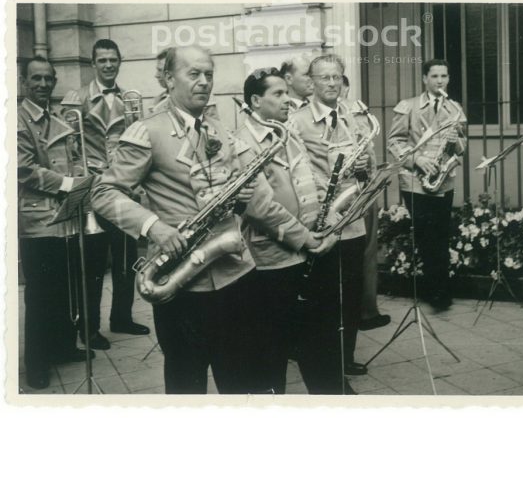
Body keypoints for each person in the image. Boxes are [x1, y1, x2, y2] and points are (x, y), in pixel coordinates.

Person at [91, 46, 323, 394]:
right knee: (187, 387)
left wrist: (303, 236)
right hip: (184, 285)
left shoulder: (219, 131)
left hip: (235, 276)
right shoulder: (147, 132)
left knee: (244, 382)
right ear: (169, 79)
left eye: (209, 75)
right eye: (194, 74)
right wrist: (154, 226)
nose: (204, 82)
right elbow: (103, 193)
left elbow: (259, 201)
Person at [235, 67, 337, 393]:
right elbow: (261, 207)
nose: (287, 100)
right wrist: (306, 239)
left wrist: (330, 223)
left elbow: (315, 185)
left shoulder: (289, 134)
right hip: (272, 261)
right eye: (278, 94)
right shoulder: (241, 143)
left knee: (319, 343)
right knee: (272, 350)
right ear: (255, 100)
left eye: (286, 93)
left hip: (310, 252)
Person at [62, 39, 150, 351]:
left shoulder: (130, 98)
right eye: (103, 60)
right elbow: (70, 148)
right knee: (95, 264)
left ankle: (122, 317)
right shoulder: (79, 98)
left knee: (127, 258)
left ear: (119, 62)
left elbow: (140, 141)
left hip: (124, 187)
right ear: (93, 64)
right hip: (96, 189)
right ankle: (89, 328)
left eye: (114, 60)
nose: (109, 65)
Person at [289, 54, 371, 384]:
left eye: (337, 77)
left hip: (352, 219)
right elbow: (298, 169)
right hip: (321, 221)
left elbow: (369, 166)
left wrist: (365, 166)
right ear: (310, 83)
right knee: (324, 298)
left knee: (351, 293)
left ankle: (346, 356)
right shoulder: (298, 121)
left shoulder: (353, 116)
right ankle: (325, 363)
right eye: (324, 78)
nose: (332, 83)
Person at [18, 57, 97, 389]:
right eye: (36, 79)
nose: (43, 85)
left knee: (65, 289)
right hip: (38, 219)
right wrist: (66, 184)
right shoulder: (17, 120)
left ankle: (62, 346)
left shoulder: (54, 118)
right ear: (23, 81)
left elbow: (71, 155)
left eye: (48, 79)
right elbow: (22, 168)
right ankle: (36, 362)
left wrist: (83, 174)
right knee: (40, 294)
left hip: (63, 217)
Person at [387, 59, 467, 311]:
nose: (440, 81)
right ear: (424, 79)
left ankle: (440, 290)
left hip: (443, 180)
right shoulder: (408, 107)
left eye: (444, 76)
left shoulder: (454, 109)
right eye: (434, 76)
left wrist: (456, 141)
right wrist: (417, 159)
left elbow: (462, 149)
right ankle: (433, 290)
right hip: (415, 182)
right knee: (425, 236)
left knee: (441, 235)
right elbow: (394, 142)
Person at [339, 76, 390, 331]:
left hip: (363, 190)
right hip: (347, 195)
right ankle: (357, 313)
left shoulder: (354, 112)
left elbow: (369, 153)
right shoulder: (341, 115)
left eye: (341, 83)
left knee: (367, 252)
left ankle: (366, 310)